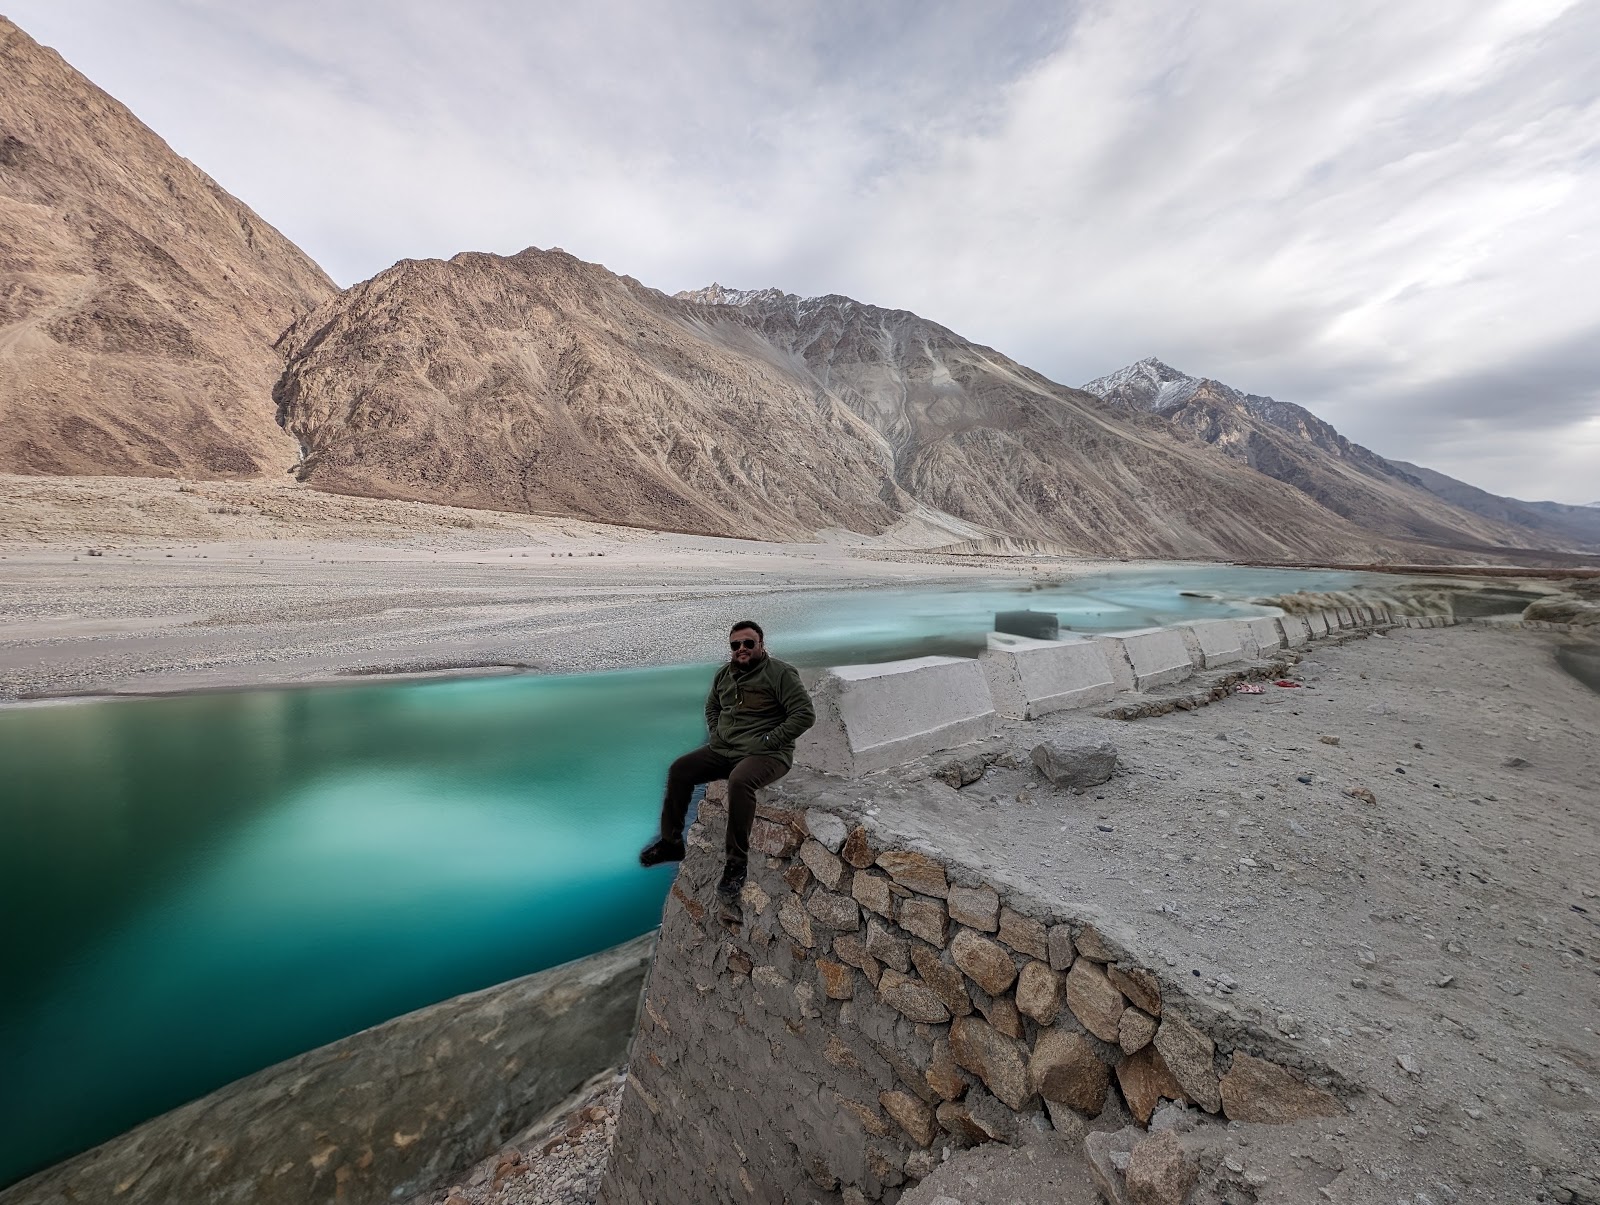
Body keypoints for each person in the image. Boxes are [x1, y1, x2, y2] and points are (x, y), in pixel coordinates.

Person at [639, 620, 815, 902]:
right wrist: (716, 731)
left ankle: (736, 865)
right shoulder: (724, 675)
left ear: (761, 645)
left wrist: (770, 740)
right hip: (725, 749)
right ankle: (671, 843)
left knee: (741, 781)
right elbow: (712, 705)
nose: (741, 649)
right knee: (680, 769)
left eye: (748, 643)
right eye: (736, 645)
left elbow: (804, 714)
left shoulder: (780, 673)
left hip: (767, 754)